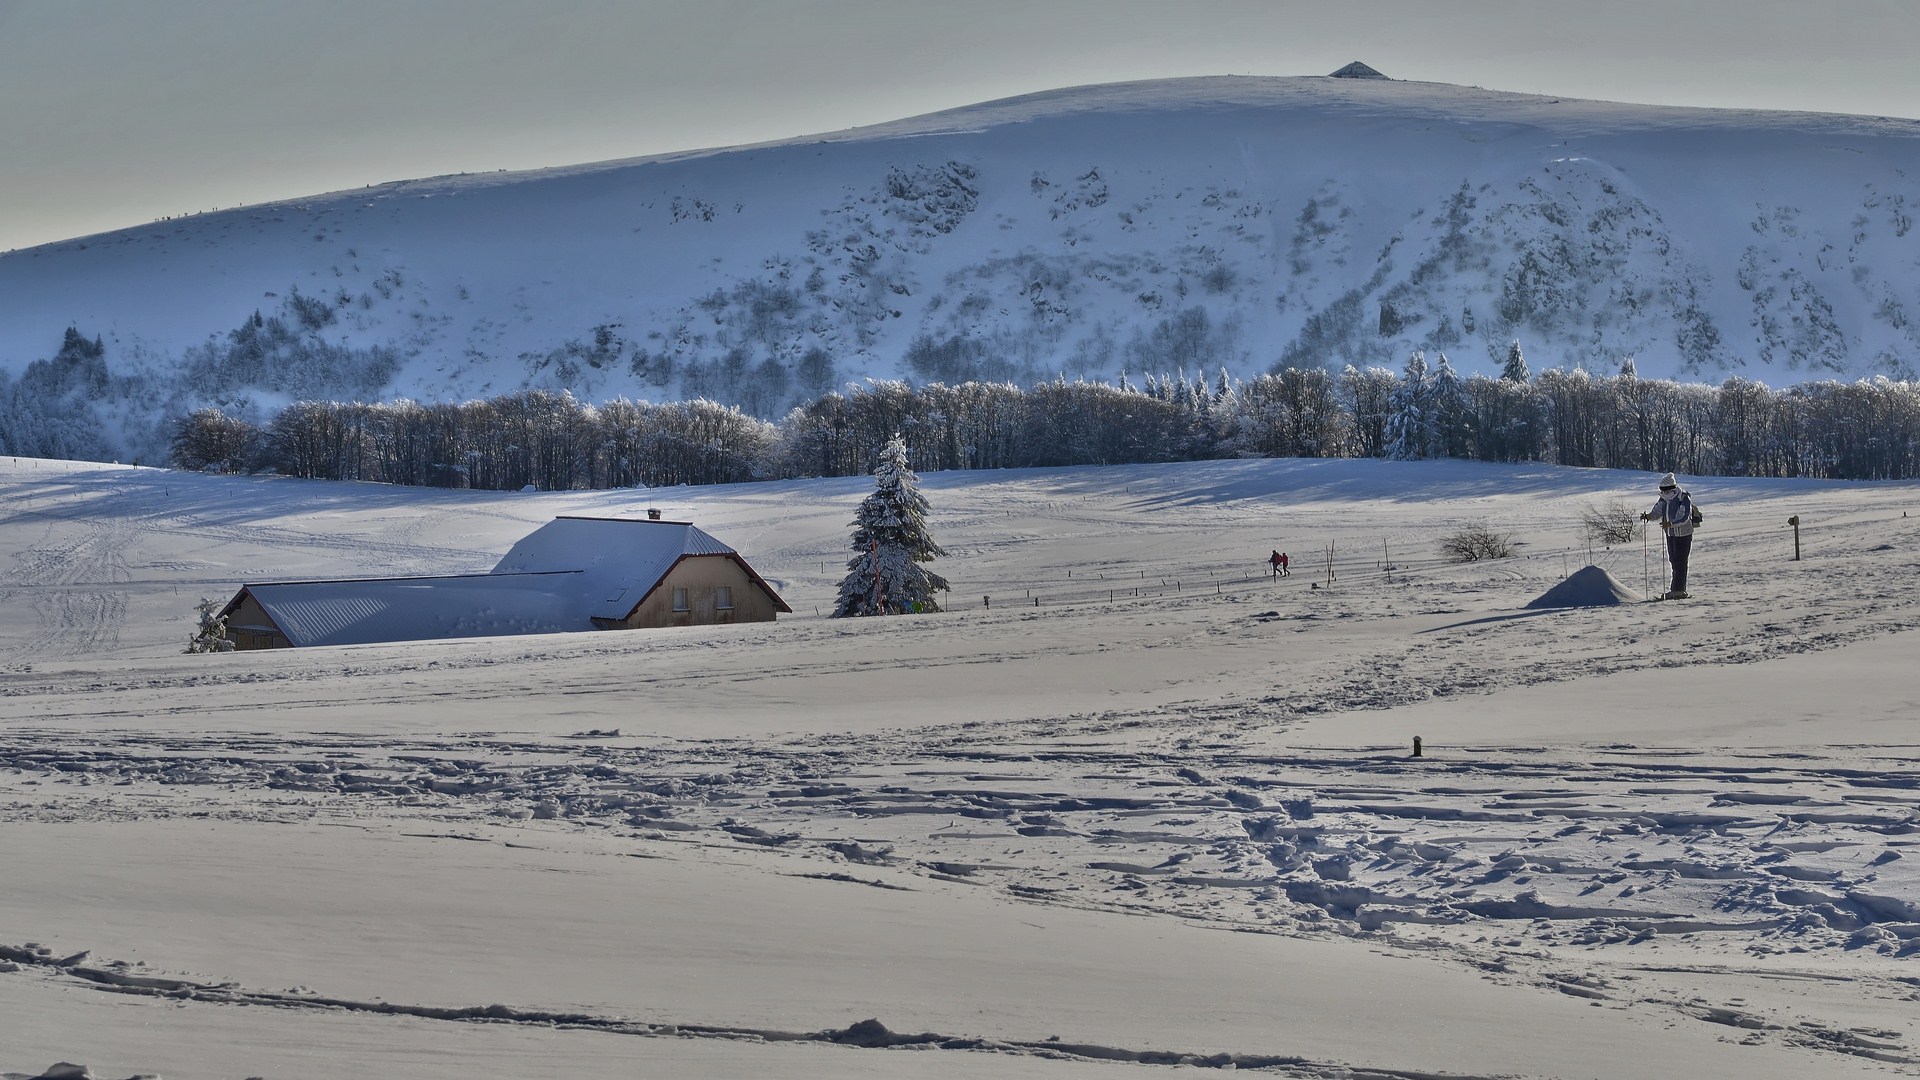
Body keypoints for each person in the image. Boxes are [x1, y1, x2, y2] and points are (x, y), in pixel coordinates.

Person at [1640, 472, 1699, 599]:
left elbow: (1684, 517)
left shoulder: (1683, 498)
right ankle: (1675, 589)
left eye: (1666, 491)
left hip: (1683, 534)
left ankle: (1679, 590)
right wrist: (1649, 516)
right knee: (1673, 560)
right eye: (1662, 491)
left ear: (1672, 488)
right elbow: (1657, 511)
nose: (1664, 493)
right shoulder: (1664, 499)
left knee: (1680, 561)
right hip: (1670, 534)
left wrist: (1671, 523)